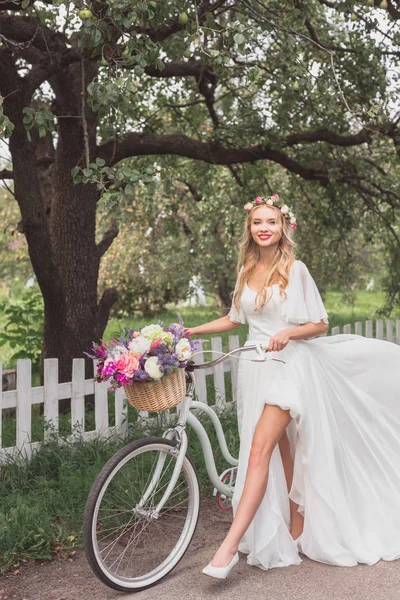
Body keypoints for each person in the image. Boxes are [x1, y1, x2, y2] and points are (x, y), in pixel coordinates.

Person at [185, 193, 400, 580]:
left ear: (283, 227)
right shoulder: (245, 270)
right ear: (249, 229)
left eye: (271, 221)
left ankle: (228, 548)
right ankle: (297, 529)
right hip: (254, 367)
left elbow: (320, 324)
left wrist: (289, 332)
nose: (264, 228)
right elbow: (235, 319)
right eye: (257, 222)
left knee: (257, 452)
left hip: (288, 367)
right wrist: (193, 330)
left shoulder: (295, 269)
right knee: (288, 448)